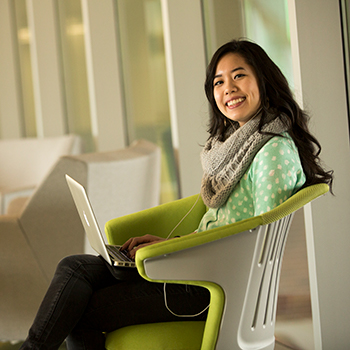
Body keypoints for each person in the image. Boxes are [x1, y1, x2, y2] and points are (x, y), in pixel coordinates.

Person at [20, 39, 333, 350]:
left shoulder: (273, 151)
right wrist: (171, 246)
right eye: (219, 81)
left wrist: (179, 253)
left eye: (239, 75)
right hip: (195, 268)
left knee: (81, 310)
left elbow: (256, 245)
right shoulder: (242, 146)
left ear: (264, 80)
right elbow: (226, 226)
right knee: (74, 267)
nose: (228, 88)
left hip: (213, 288)